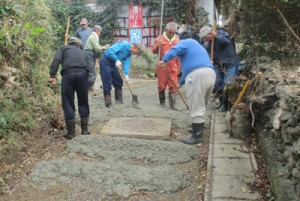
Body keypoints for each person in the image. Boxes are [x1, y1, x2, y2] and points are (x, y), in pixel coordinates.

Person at [159, 30, 216, 145]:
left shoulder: (186, 42)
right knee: (201, 103)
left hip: (198, 75)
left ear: (181, 39)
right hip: (210, 74)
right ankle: (198, 128)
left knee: (196, 104)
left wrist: (164, 60)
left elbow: (174, 50)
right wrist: (180, 83)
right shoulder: (198, 46)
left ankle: (197, 136)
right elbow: (189, 67)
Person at [48, 37, 90, 140]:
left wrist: (52, 76)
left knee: (68, 102)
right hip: (83, 75)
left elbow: (56, 60)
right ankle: (84, 130)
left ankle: (71, 133)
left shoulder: (63, 48)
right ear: (79, 45)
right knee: (83, 101)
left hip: (68, 75)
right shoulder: (83, 52)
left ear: (69, 43)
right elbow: (89, 67)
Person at [199, 26, 239, 112]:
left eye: (206, 37)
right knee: (217, 83)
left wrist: (216, 36)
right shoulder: (208, 43)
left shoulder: (222, 34)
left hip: (230, 63)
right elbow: (205, 52)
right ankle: (221, 102)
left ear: (211, 34)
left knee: (228, 84)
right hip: (218, 64)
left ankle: (226, 104)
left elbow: (227, 41)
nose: (205, 40)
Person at [99, 40, 145, 108]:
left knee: (119, 81)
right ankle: (108, 104)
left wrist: (126, 75)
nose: (138, 54)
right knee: (107, 83)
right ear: (137, 49)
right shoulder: (123, 44)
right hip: (106, 61)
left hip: (114, 64)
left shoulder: (129, 53)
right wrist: (116, 60)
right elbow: (110, 50)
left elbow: (126, 62)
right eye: (139, 52)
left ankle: (119, 101)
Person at [152, 22, 180, 109]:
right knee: (161, 85)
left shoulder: (177, 40)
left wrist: (179, 66)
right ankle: (162, 103)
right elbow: (153, 51)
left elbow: (179, 54)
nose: (171, 34)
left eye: (173, 33)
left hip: (173, 65)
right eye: (170, 32)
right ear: (166, 30)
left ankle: (173, 104)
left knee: (173, 85)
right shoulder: (159, 39)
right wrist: (157, 46)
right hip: (162, 66)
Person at [84, 25, 110, 90]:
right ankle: (84, 88)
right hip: (89, 54)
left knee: (89, 73)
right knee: (93, 74)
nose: (100, 33)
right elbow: (97, 48)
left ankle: (89, 88)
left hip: (90, 54)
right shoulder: (93, 37)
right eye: (100, 32)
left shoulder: (93, 36)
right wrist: (105, 47)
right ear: (97, 31)